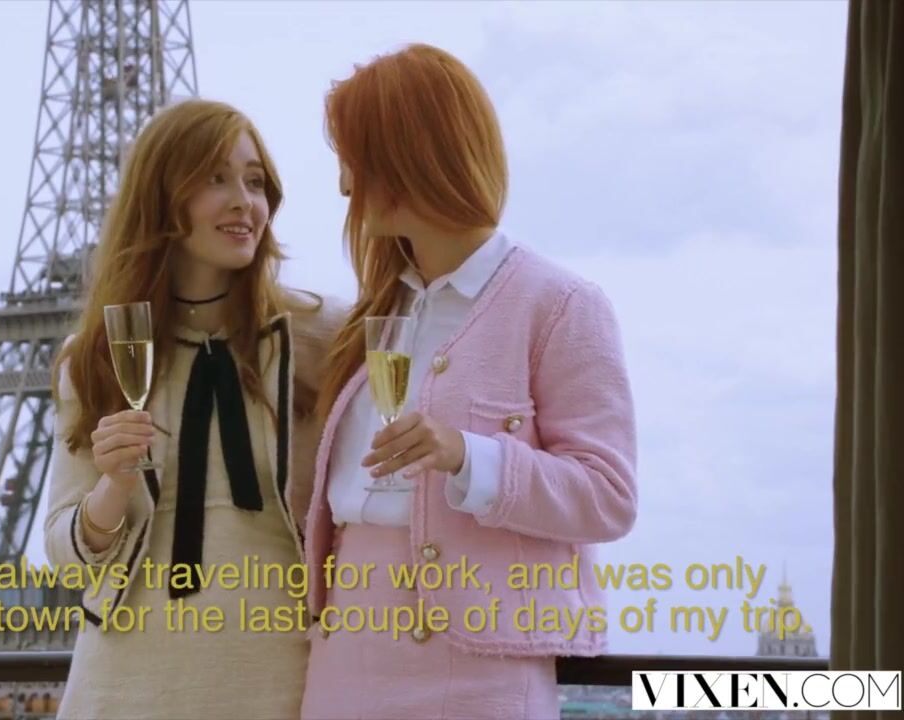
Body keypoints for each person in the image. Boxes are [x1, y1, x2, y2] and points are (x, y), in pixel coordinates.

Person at [300, 44, 639, 719]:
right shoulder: (373, 314)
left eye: (355, 159)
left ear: (409, 157)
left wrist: (466, 454)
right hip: (343, 663)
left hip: (477, 676)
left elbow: (609, 496)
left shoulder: (560, 304)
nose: (343, 187)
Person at [43, 98, 343, 720]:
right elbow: (68, 555)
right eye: (215, 179)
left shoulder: (322, 337)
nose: (243, 202)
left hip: (281, 678)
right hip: (123, 687)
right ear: (160, 198)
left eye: (255, 182)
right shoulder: (94, 356)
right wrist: (113, 486)